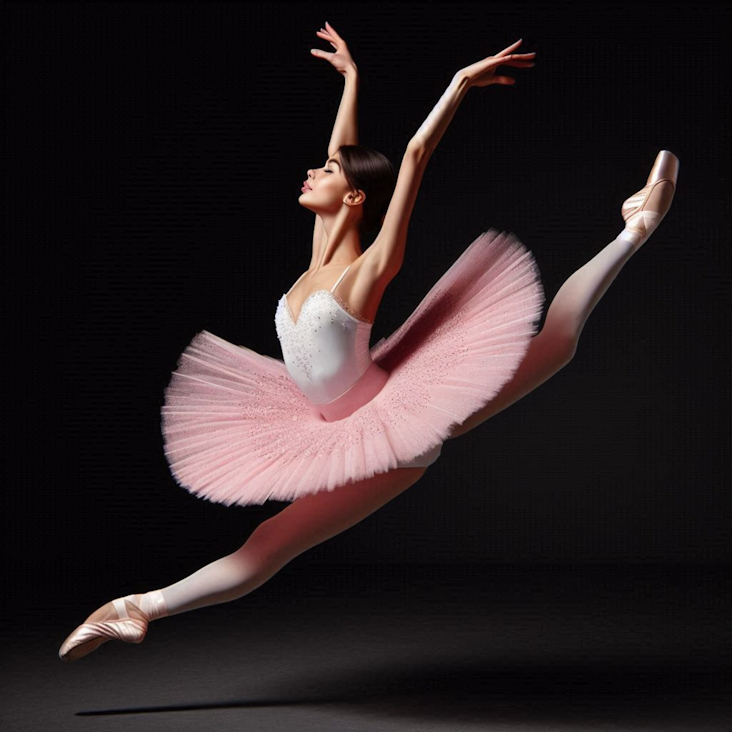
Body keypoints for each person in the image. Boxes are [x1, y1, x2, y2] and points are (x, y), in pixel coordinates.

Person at [59, 22, 678, 662]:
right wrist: (352, 80)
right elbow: (346, 149)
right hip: (332, 422)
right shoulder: (315, 265)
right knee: (269, 542)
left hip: (395, 432)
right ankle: (137, 608)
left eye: (325, 170)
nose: (312, 168)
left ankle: (636, 227)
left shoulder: (369, 268)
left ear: (353, 195)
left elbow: (410, 157)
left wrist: (460, 84)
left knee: (557, 341)